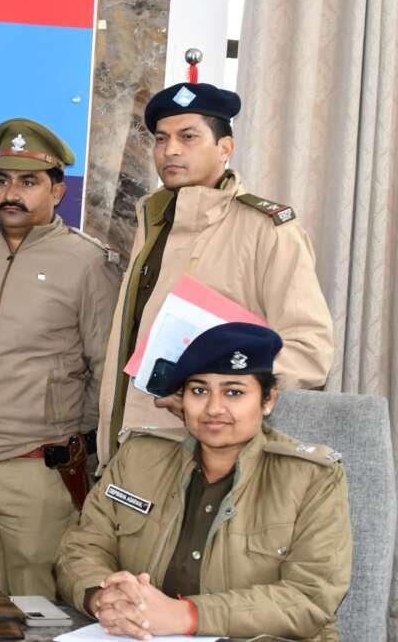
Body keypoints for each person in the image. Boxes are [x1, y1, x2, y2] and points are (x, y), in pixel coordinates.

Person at [57, 322, 351, 641]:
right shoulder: (139, 458)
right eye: (199, 391)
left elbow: (311, 596)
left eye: (234, 392)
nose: (214, 408)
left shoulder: (312, 477)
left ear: (268, 400)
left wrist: (186, 615)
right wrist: (103, 597)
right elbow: (83, 546)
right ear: (182, 399)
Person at [97, 82, 334, 465]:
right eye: (161, 139)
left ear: (225, 148)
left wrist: (215, 394)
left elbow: (308, 351)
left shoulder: (267, 230)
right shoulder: (152, 221)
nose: (171, 150)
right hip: (131, 449)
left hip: (209, 457)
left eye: (188, 137)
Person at [0, 118, 119, 595]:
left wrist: (80, 444)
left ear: (57, 191)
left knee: (38, 610)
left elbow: (105, 368)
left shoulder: (87, 262)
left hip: (38, 469)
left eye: (28, 182)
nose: (11, 194)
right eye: (3, 180)